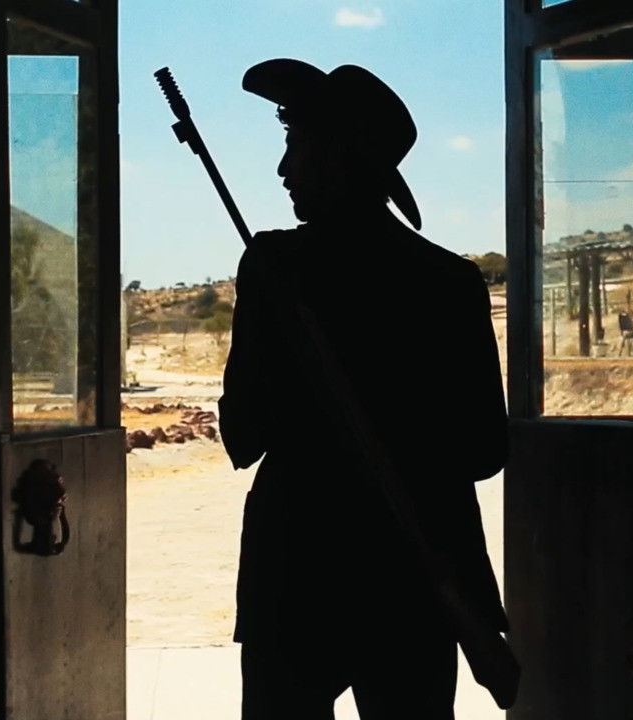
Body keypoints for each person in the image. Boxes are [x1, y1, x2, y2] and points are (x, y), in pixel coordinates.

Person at [218, 59, 515, 720]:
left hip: (295, 572)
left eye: (296, 144)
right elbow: (483, 451)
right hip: (417, 575)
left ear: (336, 157)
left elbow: (241, 433)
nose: (284, 169)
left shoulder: (273, 265)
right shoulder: (451, 282)